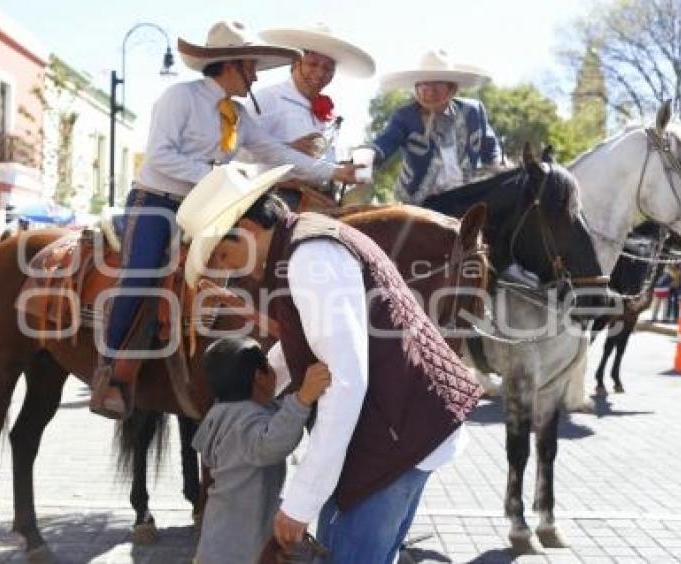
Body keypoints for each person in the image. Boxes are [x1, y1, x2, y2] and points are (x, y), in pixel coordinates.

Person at [177, 164, 483, 563]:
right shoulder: (303, 244)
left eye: (224, 253)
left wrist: (301, 502)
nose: (227, 267)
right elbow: (307, 342)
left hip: (396, 438)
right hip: (406, 431)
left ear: (248, 230)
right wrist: (260, 382)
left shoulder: (310, 259)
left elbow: (344, 380)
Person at [91, 20, 363, 419]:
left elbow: (272, 150)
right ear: (230, 65)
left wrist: (333, 172)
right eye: (251, 66)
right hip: (157, 202)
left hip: (208, 205)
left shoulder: (236, 113)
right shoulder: (178, 97)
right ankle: (112, 371)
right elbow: (160, 156)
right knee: (142, 273)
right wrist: (220, 177)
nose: (255, 75)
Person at [192, 337, 331, 564]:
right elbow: (270, 444)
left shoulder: (224, 411)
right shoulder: (241, 421)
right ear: (260, 376)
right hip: (236, 544)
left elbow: (272, 412)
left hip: (220, 536)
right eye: (268, 365)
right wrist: (303, 399)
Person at [247, 25, 375, 202]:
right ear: (296, 63)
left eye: (328, 68)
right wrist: (286, 147)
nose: (320, 73)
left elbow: (322, 160)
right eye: (313, 64)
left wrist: (343, 168)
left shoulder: (329, 110)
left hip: (322, 198)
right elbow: (239, 151)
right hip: (277, 196)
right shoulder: (267, 98)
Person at [368, 49, 500, 206]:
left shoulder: (473, 110)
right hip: (422, 204)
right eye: (423, 85)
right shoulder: (404, 117)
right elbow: (385, 142)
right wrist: (366, 156)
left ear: (452, 89)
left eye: (436, 84)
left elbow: (490, 149)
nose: (428, 91)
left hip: (468, 196)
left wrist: (496, 170)